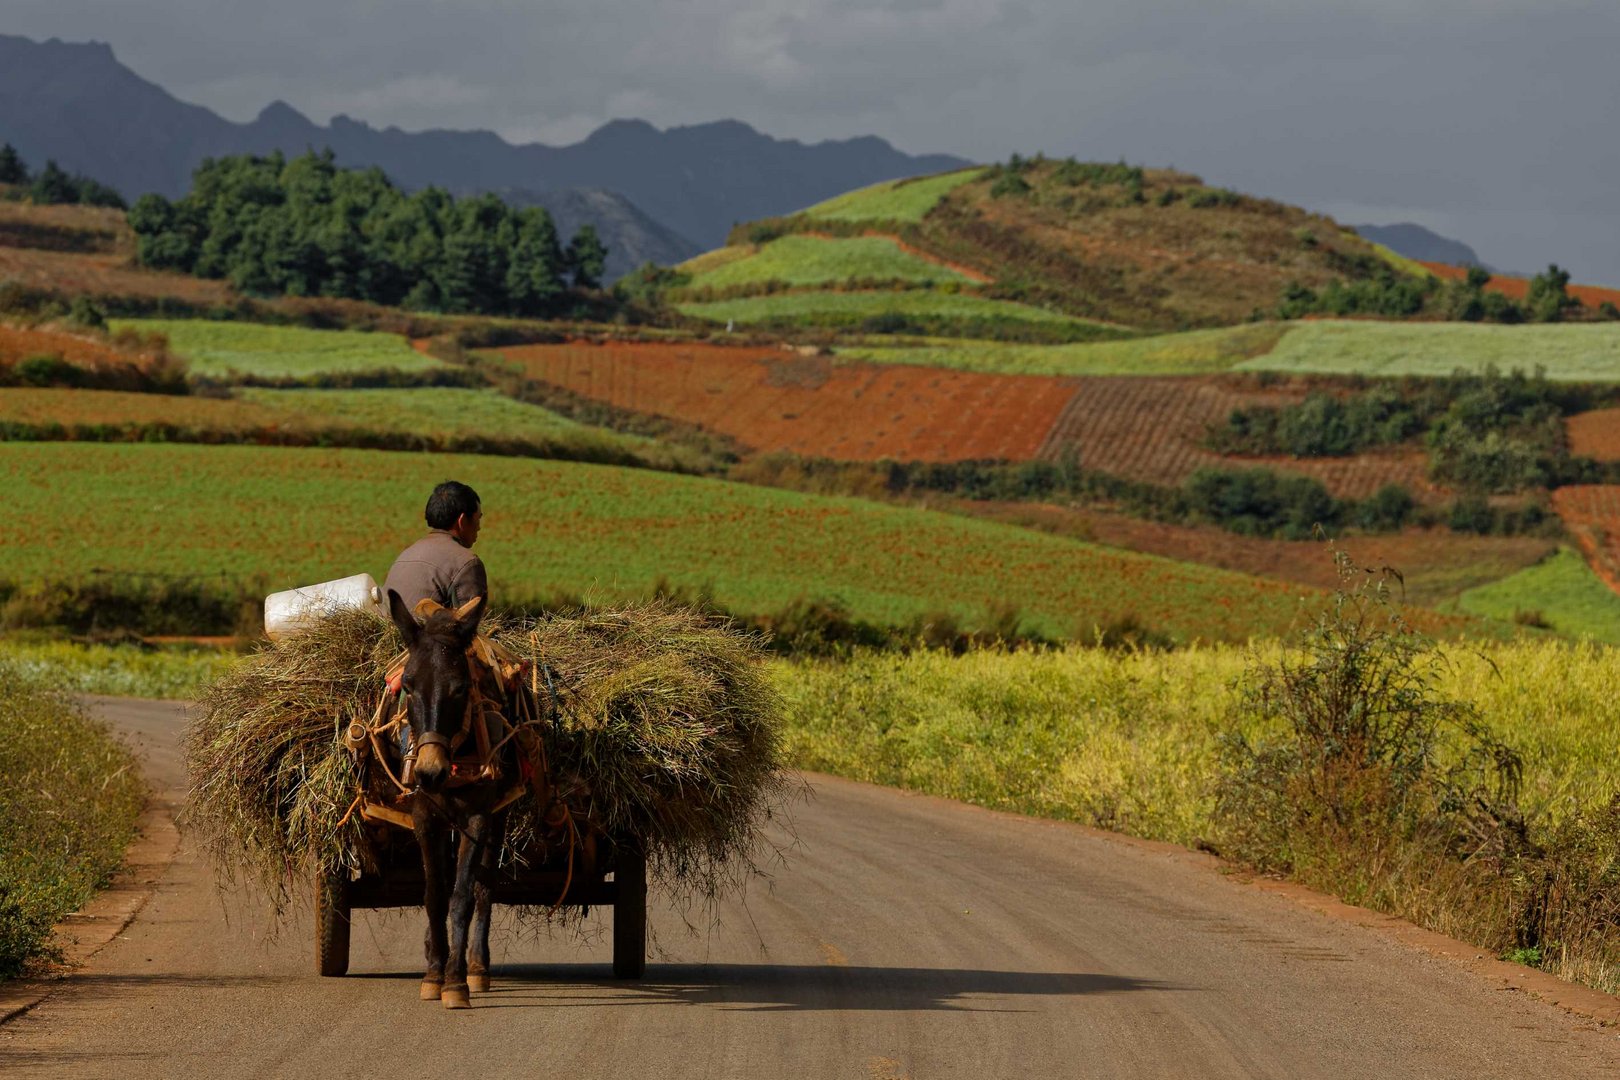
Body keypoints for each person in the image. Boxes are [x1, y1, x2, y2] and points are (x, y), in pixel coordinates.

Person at [384, 480, 488, 623]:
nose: (479, 527)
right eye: (478, 519)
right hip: (428, 644)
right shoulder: (466, 563)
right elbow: (474, 630)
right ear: (462, 521)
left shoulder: (406, 555)